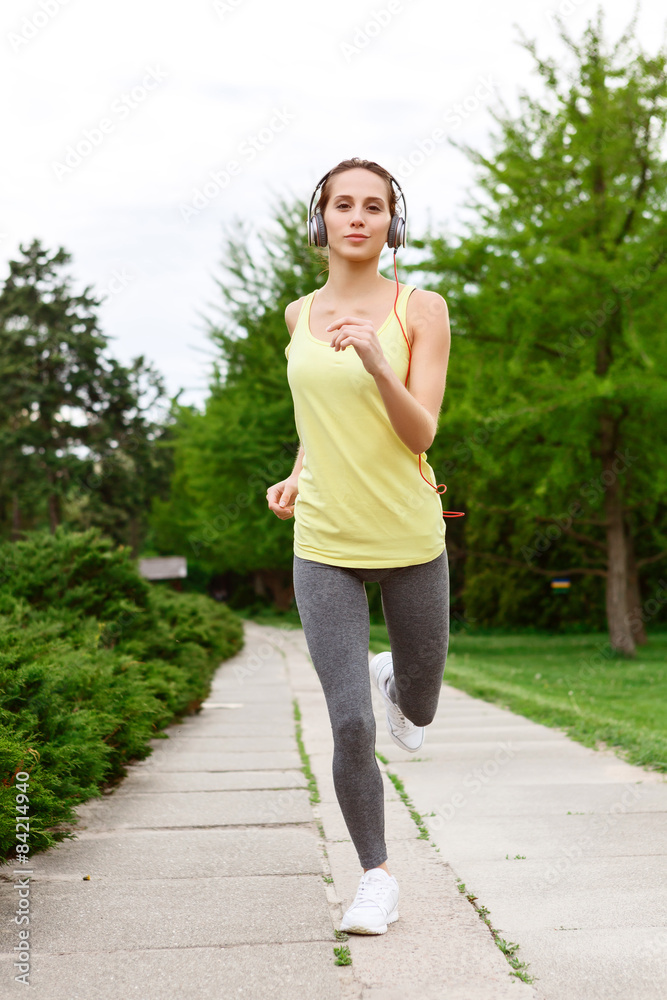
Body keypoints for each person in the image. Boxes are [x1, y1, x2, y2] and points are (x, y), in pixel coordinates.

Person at [266, 157, 452, 935]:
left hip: (408, 535)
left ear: (390, 224)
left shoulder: (422, 309)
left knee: (419, 706)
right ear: (321, 221)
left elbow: (420, 431)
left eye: (372, 207)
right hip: (325, 541)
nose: (356, 218)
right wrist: (298, 470)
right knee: (349, 724)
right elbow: (318, 418)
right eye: (341, 205)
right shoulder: (295, 314)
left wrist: (378, 358)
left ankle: (395, 677)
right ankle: (375, 876)